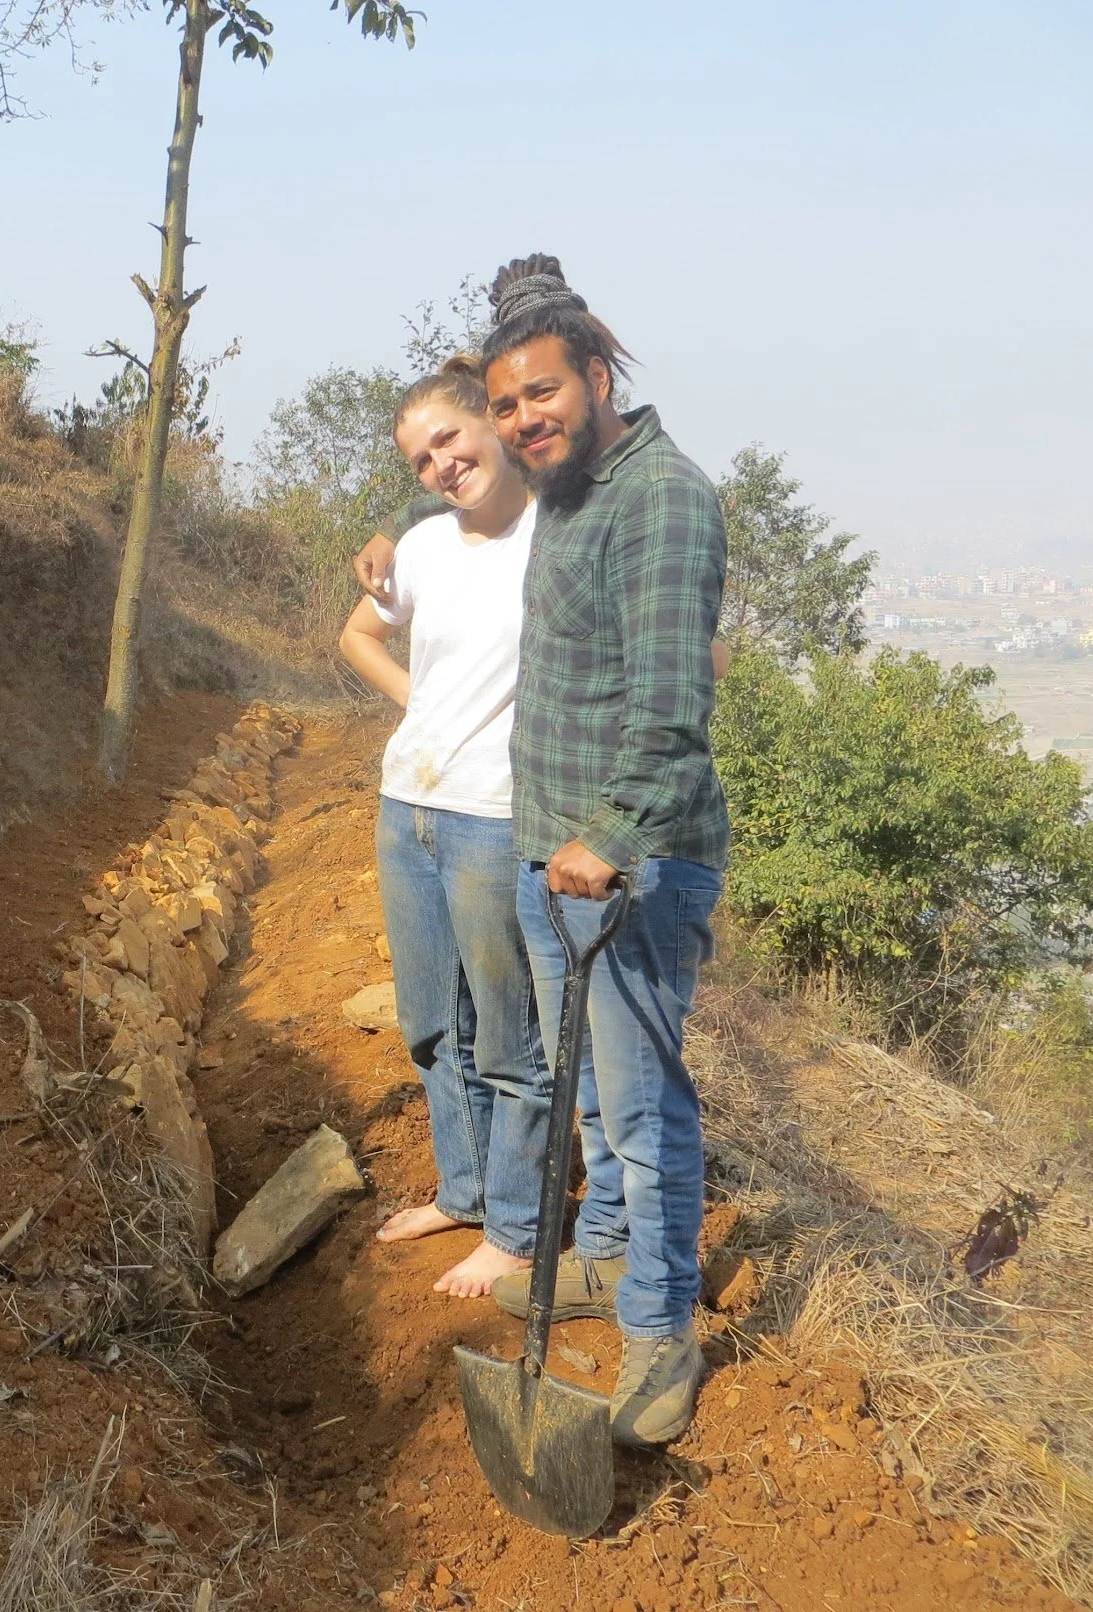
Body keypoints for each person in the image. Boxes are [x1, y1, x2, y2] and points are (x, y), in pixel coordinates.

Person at [356, 256, 728, 1448]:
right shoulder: (565, 490)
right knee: (587, 1096)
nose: (523, 420)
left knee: (634, 1104)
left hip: (627, 865)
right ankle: (605, 1257)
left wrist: (606, 841)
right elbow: (459, 511)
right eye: (507, 403)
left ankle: (660, 1328)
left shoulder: (658, 499)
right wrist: (384, 545)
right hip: (545, 854)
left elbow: (674, 708)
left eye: (541, 396)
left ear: (598, 377)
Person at [339, 356, 548, 1301]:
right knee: (432, 1025)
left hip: (493, 821)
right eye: (421, 460)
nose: (440, 466)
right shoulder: (419, 547)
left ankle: (514, 1228)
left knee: (508, 1038)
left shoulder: (559, 534)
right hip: (408, 808)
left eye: (449, 441)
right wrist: (425, 709)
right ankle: (463, 1192)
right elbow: (358, 635)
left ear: (493, 423)